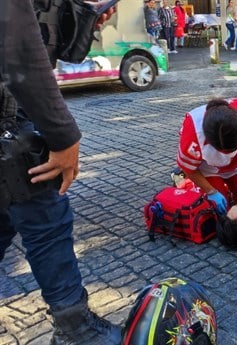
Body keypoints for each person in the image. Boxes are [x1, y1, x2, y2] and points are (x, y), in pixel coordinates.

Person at [0, 0, 122, 344]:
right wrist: (63, 136)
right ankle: (76, 330)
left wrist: (80, 15)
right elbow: (17, 44)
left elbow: (42, 35)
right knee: (47, 223)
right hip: (9, 121)